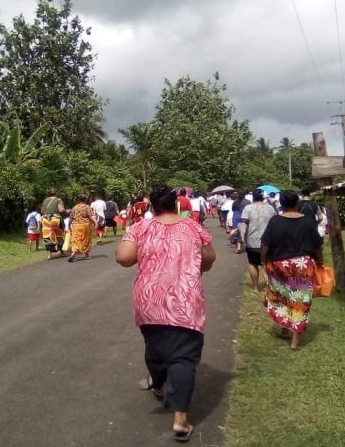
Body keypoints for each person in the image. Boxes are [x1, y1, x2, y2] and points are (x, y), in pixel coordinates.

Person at [116, 184, 216, 442]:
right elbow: (208, 259)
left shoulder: (140, 227)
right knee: (183, 357)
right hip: (185, 300)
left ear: (152, 206)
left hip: (150, 300)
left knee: (155, 345)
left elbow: (124, 258)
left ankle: (158, 382)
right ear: (177, 204)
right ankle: (180, 420)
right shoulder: (194, 227)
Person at [261, 190, 324, 350]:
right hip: (303, 266)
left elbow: (265, 244)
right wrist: (320, 261)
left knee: (282, 297)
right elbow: (318, 245)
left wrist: (264, 262)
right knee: (300, 300)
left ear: (281, 204)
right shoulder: (308, 222)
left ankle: (284, 328)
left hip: (279, 266)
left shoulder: (275, 221)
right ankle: (294, 340)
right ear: (297, 203)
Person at [238, 189, 277, 292]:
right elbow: (275, 222)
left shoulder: (248, 208)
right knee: (267, 264)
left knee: (252, 263)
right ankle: (267, 286)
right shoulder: (270, 208)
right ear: (263, 197)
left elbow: (243, 223)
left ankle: (255, 287)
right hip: (269, 241)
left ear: (253, 197)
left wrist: (242, 237)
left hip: (252, 241)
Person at [41, 188, 66, 260]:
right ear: (56, 193)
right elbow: (61, 209)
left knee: (47, 235)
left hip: (46, 220)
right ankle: (61, 251)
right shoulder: (58, 200)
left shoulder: (45, 200)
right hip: (55, 219)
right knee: (59, 234)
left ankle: (49, 254)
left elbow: (42, 211)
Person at [69, 195, 95, 262]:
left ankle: (73, 252)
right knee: (86, 239)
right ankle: (86, 254)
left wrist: (69, 224)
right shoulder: (87, 207)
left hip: (76, 225)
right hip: (85, 225)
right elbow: (91, 216)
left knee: (76, 239)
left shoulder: (75, 207)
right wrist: (96, 222)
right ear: (85, 200)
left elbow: (71, 217)